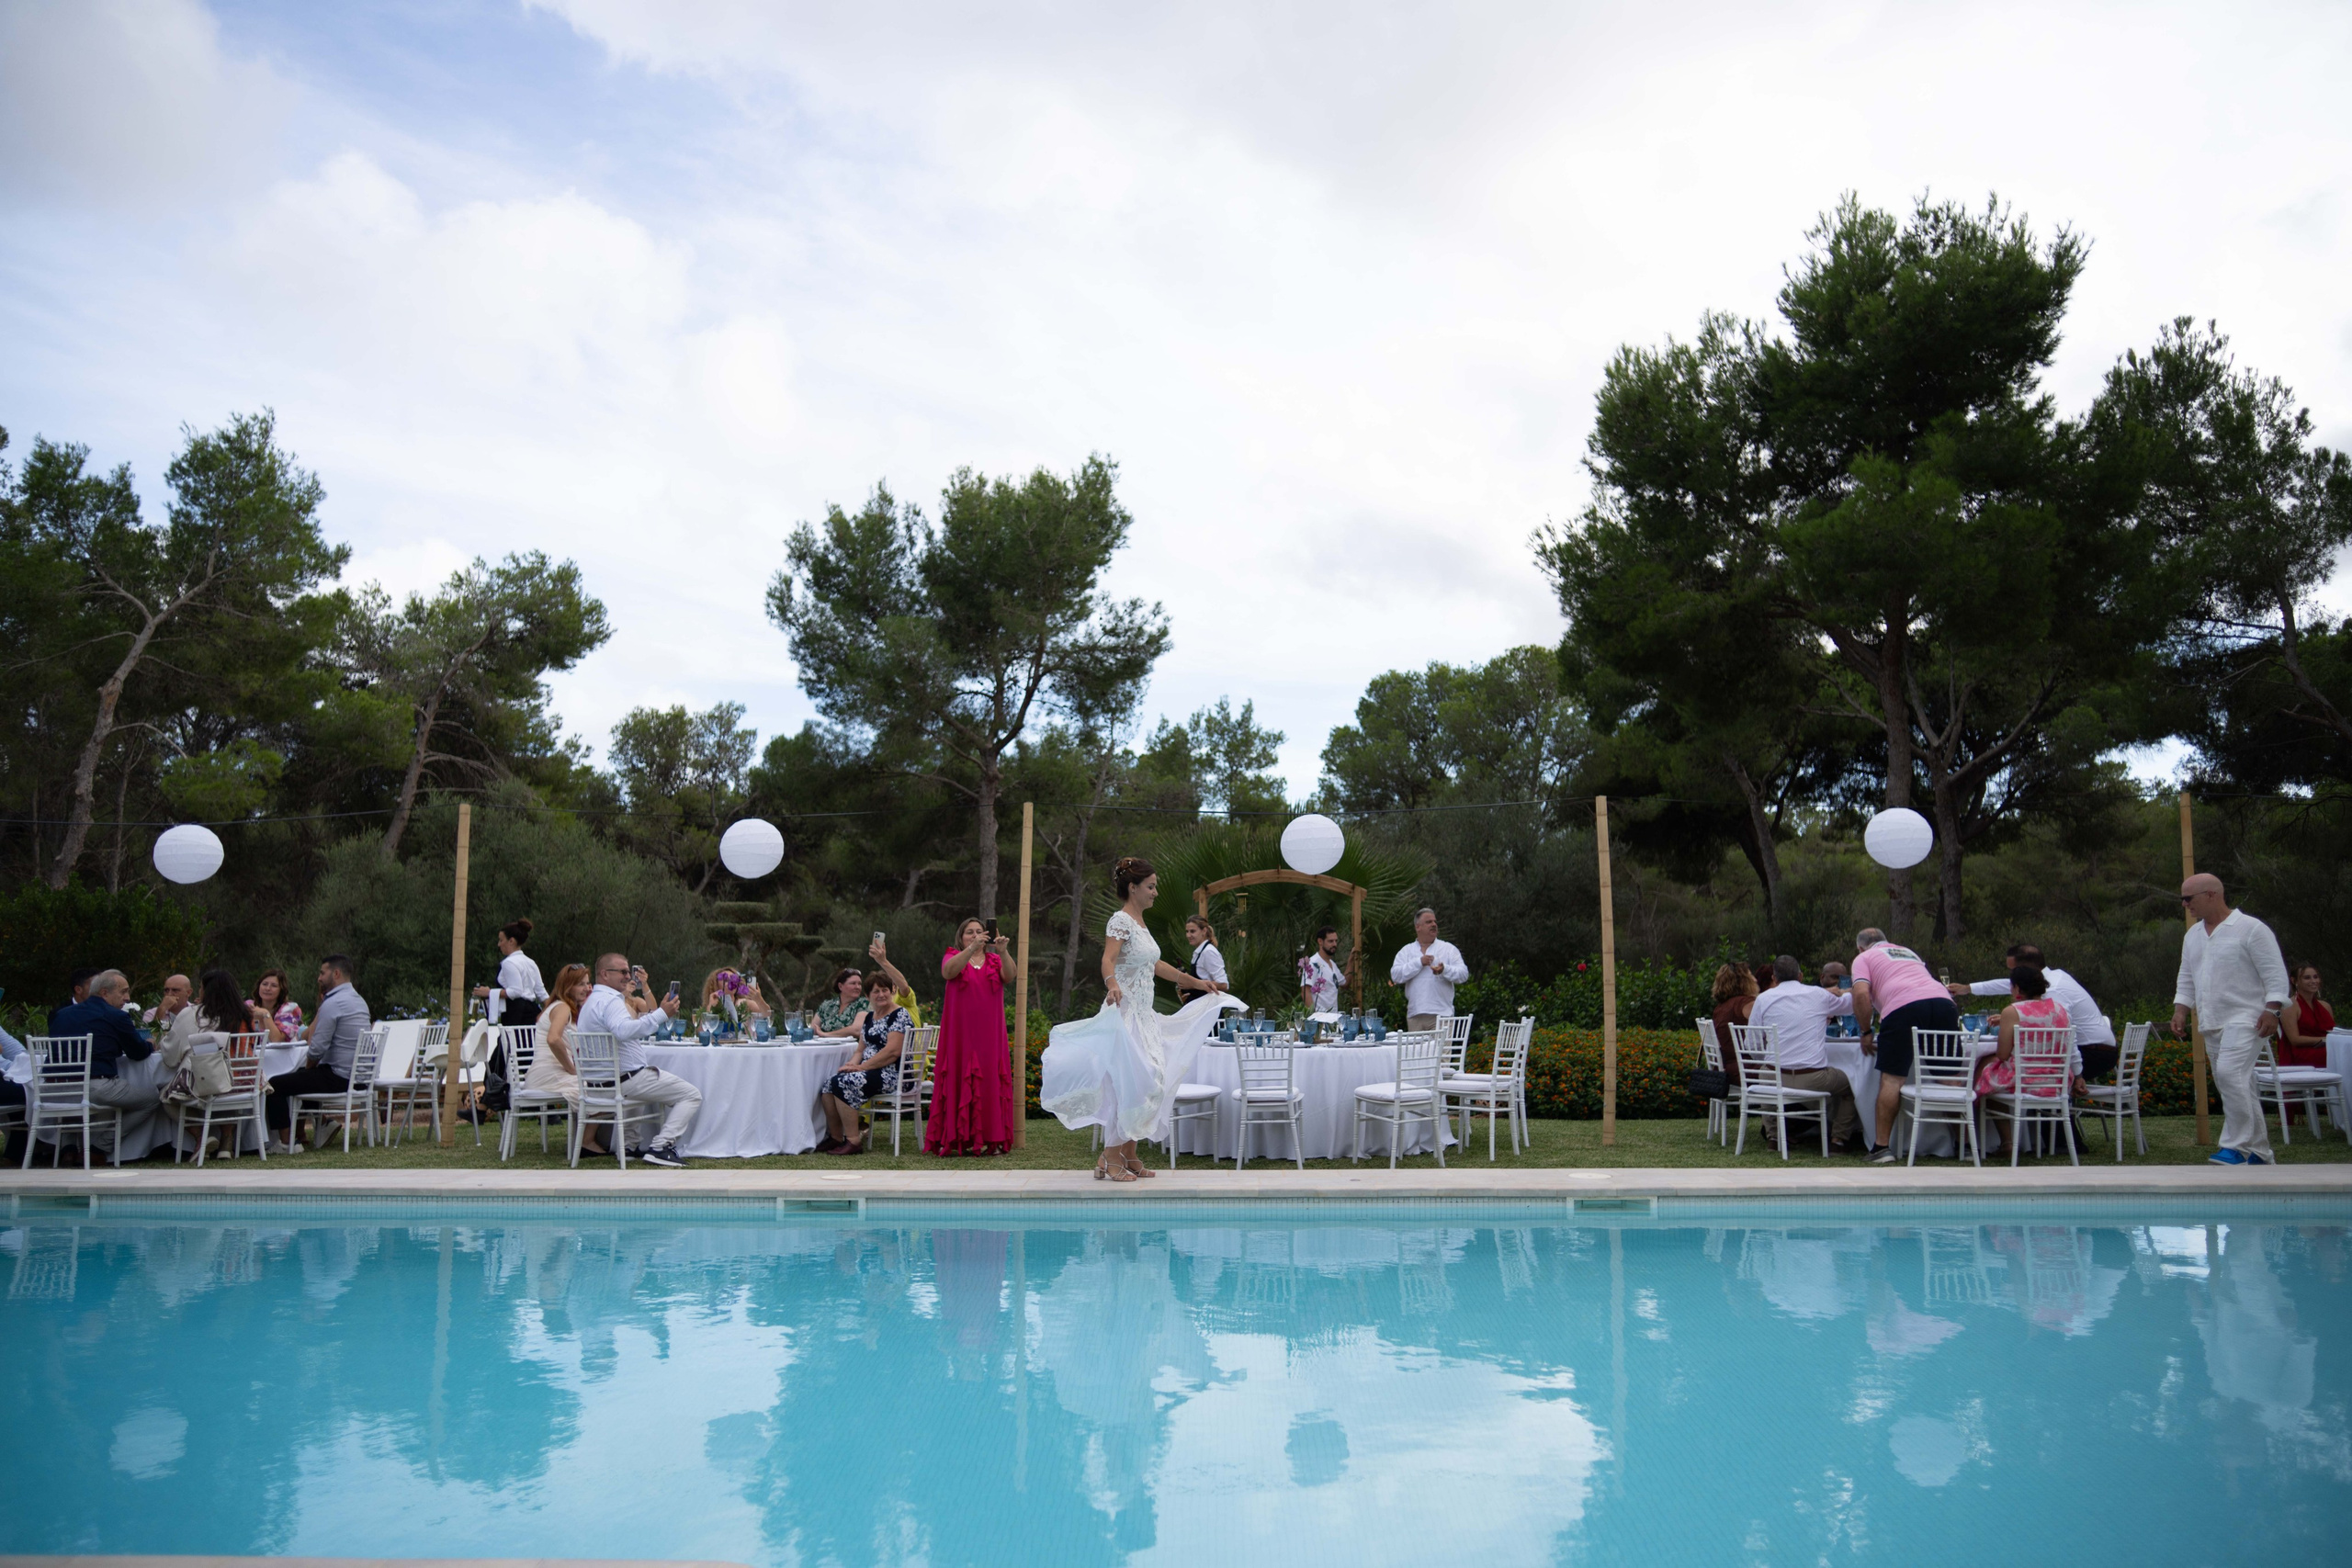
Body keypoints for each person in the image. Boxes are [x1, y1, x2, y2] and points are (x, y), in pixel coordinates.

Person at [1039, 856, 1238, 1180]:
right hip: (1126, 1015)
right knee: (1132, 1082)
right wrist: (1112, 983)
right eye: (1151, 886)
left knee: (1152, 1080)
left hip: (1145, 1017)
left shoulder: (1142, 926)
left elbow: (1157, 967)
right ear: (1133, 888)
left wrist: (1198, 983)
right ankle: (1110, 1154)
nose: (1156, 892)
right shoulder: (1120, 921)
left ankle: (1128, 1153)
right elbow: (1108, 959)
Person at [2174, 874, 2292, 1168]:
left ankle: (2235, 1147)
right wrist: (2180, 1010)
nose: (2185, 904)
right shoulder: (2193, 935)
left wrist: (2273, 1010)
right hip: (2212, 1022)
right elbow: (2186, 978)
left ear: (2212, 894)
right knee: (2241, 1084)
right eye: (2182, 899)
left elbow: (2275, 974)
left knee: (2229, 1074)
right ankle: (2262, 1154)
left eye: (2189, 898)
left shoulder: (2251, 929)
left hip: (2248, 1019)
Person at [1851, 927, 1962, 1166]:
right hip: (1943, 1002)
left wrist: (1866, 1031)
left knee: (1892, 1080)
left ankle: (1881, 1148)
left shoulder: (1863, 958)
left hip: (1903, 1007)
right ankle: (1965, 1143)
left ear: (1860, 947)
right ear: (1886, 941)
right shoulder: (1909, 952)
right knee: (1950, 1076)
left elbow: (1860, 994)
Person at [580, 951, 694, 1167]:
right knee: (691, 1095)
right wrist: (661, 1014)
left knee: (639, 1075)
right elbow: (624, 1030)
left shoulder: (592, 1001)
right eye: (622, 971)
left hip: (603, 1084)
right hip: (623, 1081)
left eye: (627, 971)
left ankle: (629, 1146)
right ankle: (661, 1146)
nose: (628, 976)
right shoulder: (611, 1001)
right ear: (604, 974)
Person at [1743, 955, 1864, 1150]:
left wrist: (1769, 1062)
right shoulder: (1818, 994)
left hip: (1774, 1076)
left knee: (1765, 1075)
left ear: (1774, 978)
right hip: (1813, 1078)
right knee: (1851, 1087)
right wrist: (1851, 991)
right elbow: (1849, 1007)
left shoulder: (1763, 999)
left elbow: (1752, 1045)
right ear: (1800, 976)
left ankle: (1773, 1138)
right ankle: (1838, 1139)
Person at [1951, 942, 2114, 1079]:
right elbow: (2007, 985)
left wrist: (2016, 1017)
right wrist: (1968, 988)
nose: (2011, 976)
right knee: (2029, 1062)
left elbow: (2063, 1031)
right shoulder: (2053, 977)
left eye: (2013, 971)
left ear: (2027, 969)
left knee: (2025, 1065)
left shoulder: (2053, 991)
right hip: (2093, 1049)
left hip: (2094, 1054)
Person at [51, 969, 164, 1160]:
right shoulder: (116, 1016)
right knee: (153, 1099)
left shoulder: (61, 1015)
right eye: (123, 992)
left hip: (56, 1088)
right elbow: (137, 1053)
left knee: (73, 1100)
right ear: (104, 993)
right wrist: (149, 1044)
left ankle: (67, 1147)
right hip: (95, 1086)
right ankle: (98, 1148)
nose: (127, 998)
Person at [265, 954, 371, 1154]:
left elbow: (317, 1048)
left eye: (323, 973)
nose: (319, 978)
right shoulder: (359, 1001)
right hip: (360, 1077)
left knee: (274, 1085)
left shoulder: (333, 1003)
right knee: (305, 1075)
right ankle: (321, 1126)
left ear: (336, 974)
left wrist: (308, 1068)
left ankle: (287, 1144)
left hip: (341, 1077)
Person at [928, 919, 1017, 1156]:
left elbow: (1010, 976)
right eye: (970, 932)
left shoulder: (995, 960)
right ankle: (957, 1139)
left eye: (980, 931)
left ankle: (993, 1138)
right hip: (960, 1034)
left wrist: (1003, 951)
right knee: (959, 1076)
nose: (975, 935)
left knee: (989, 1080)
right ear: (962, 936)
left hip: (990, 1034)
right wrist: (970, 949)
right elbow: (948, 972)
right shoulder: (953, 955)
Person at [1972, 963, 2081, 1155]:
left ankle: (2007, 1142)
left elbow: (2003, 1054)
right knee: (1991, 1075)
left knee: (1983, 1078)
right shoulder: (2060, 1009)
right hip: (2057, 1083)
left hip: (2024, 1081)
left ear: (2017, 988)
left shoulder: (2012, 1011)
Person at [161, 969, 262, 1155]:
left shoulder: (192, 1015)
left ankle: (201, 1137)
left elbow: (170, 1057)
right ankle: (227, 1141)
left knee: (167, 1098)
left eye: (200, 987)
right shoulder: (245, 1015)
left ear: (206, 991)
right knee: (224, 1087)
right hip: (246, 1082)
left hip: (212, 1082)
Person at [817, 971, 912, 1156]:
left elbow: (892, 1052)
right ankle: (836, 1137)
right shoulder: (869, 1018)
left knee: (844, 1082)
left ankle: (853, 1141)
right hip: (871, 1070)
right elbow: (860, 1050)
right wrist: (851, 1065)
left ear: (892, 991)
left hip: (893, 1073)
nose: (881, 995)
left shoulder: (899, 1015)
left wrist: (861, 1068)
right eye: (875, 991)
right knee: (828, 1085)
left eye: (885, 990)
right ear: (868, 996)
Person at [529, 963, 608, 1156]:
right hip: (549, 1073)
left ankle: (583, 1139)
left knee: (601, 1087)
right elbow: (553, 1039)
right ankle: (585, 1141)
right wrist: (572, 1069)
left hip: (550, 1072)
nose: (587, 988)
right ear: (567, 987)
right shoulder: (563, 1007)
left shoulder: (566, 1008)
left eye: (588, 984)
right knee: (604, 1090)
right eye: (581, 984)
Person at [1389, 908, 1468, 1031]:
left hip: (1442, 1015)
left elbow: (1463, 975)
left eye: (1435, 922)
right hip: (1415, 1015)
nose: (1434, 925)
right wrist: (1419, 962)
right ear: (1418, 927)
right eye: (1429, 922)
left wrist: (1444, 970)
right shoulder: (1406, 951)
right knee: (1416, 1051)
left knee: (1441, 1051)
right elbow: (1395, 975)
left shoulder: (1448, 949)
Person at [2278, 964, 2335, 1136]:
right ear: (2295, 981)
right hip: (2301, 1055)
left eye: (2316, 977)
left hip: (2323, 1051)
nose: (2313, 981)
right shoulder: (2289, 1006)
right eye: (2307, 977)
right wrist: (2324, 1040)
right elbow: (2294, 1039)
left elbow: (2333, 1033)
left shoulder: (2325, 1006)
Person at [470, 919, 548, 1027]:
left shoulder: (508, 963)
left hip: (515, 1014)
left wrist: (490, 993)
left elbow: (516, 991)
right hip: (532, 1012)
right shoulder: (530, 962)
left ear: (511, 941)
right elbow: (542, 994)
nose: (499, 944)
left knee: (511, 1043)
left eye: (501, 940)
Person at [866, 936, 922, 1026]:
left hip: (909, 1039)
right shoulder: (874, 1007)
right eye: (877, 990)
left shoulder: (902, 998)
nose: (881, 994)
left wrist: (883, 961)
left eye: (885, 988)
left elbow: (904, 986)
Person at [1710, 962, 1759, 1061]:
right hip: (1745, 1067)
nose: (1755, 979)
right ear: (1742, 982)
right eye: (1750, 976)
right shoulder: (1746, 1004)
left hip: (1726, 1066)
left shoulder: (1720, 1008)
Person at [698, 967, 773, 1028]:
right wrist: (711, 1007)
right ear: (716, 984)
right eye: (726, 980)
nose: (731, 982)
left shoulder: (744, 1003)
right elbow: (701, 1031)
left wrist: (759, 1000)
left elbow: (767, 1014)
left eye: (734, 979)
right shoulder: (711, 1004)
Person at [1296, 925, 1341, 1012]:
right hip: (1320, 1020)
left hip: (1333, 1019)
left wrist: (1352, 960)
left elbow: (1345, 983)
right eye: (1331, 941)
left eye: (1336, 941)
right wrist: (1314, 1017)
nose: (1335, 944)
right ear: (1320, 941)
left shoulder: (1333, 964)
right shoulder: (1312, 963)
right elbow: (1305, 991)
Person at [250, 969, 303, 1043]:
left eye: (274, 986)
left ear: (281, 990)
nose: (267, 988)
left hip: (282, 1054)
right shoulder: (249, 1005)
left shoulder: (289, 1009)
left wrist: (265, 1014)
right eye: (264, 984)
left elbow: (277, 1040)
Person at [1184, 916, 1230, 996]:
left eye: (1192, 931)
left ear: (1204, 931)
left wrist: (1193, 984)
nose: (1188, 935)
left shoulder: (1208, 952)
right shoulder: (1199, 952)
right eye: (1187, 931)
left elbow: (1223, 984)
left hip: (1210, 1006)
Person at [814, 968, 865, 1035]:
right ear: (840, 986)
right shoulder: (827, 1005)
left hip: (852, 1045)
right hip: (824, 1045)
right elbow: (813, 1029)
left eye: (859, 984)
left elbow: (857, 1030)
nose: (857, 987)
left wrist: (826, 1035)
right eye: (853, 983)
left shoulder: (864, 1003)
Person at [50, 967, 99, 1034]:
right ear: (78, 989)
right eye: (94, 986)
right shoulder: (59, 1013)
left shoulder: (104, 1010)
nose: (99, 990)